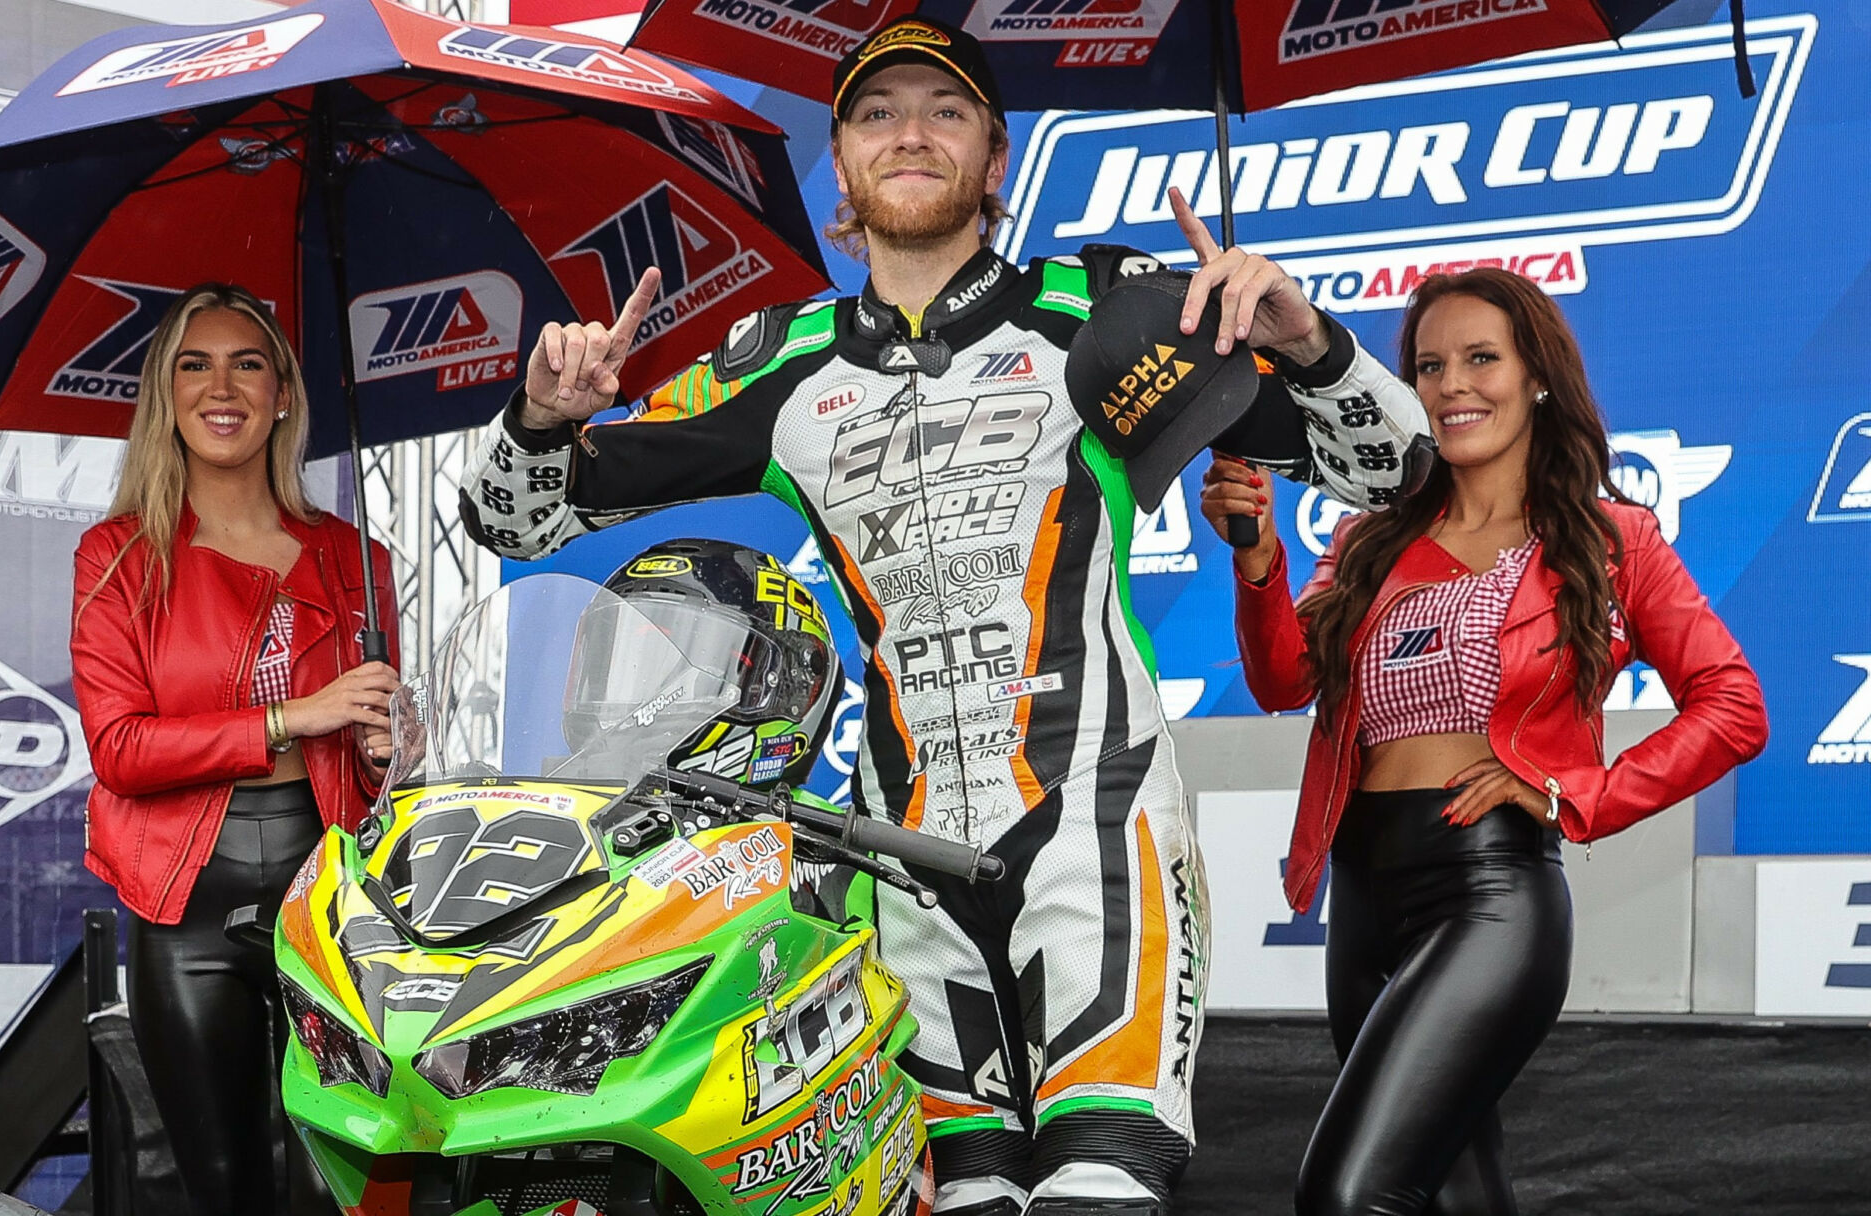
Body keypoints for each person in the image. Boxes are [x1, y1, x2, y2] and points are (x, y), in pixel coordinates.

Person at [456, 17, 1433, 1215]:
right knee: (958, 1192)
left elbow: (1395, 475)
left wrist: (1315, 344)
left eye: (945, 110)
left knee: (1100, 1180)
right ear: (846, 175)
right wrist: (542, 418)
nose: (910, 132)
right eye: (876, 114)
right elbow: (518, 523)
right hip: (899, 860)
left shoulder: (1108, 311)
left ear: (998, 157)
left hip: (1098, 824)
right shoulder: (782, 362)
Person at [1203, 267, 1767, 1216]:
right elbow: (1282, 680)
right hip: (1364, 901)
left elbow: (1732, 705)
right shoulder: (1370, 537)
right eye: (1429, 366)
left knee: (1349, 1194)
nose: (1452, 384)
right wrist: (1258, 556)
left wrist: (1571, 796)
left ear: (1536, 375)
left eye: (1480, 359)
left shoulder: (1608, 537)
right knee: (1457, 1196)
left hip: (1490, 896)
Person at [70, 283, 401, 1216]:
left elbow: (378, 763)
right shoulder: (120, 555)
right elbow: (122, 751)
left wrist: (386, 745)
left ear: (285, 392)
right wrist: (295, 717)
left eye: (248, 362)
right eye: (195, 363)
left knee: (340, 1186)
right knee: (223, 1192)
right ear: (165, 396)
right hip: (186, 905)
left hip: (329, 899)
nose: (224, 386)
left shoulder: (355, 559)